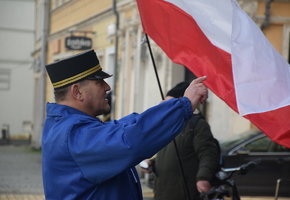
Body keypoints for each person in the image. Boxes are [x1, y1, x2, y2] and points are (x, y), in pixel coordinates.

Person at [42, 49, 208, 200]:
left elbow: (123, 127)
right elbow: (130, 140)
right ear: (77, 92)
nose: (107, 87)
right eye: (99, 82)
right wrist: (182, 107)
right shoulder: (74, 133)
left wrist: (166, 109)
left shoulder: (66, 126)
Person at [142, 82, 220, 200]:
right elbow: (171, 154)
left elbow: (208, 154)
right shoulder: (168, 124)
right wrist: (152, 163)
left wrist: (203, 179)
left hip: (185, 193)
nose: (164, 106)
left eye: (169, 102)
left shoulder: (197, 125)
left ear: (181, 101)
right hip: (162, 193)